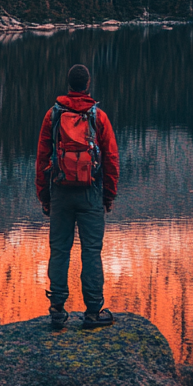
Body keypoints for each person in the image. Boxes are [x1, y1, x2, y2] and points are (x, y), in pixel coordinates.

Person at [35, 63, 119, 331]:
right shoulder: (99, 117)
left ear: (69, 85)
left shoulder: (53, 115)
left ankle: (58, 311)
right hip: (91, 192)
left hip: (60, 191)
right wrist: (108, 196)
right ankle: (93, 312)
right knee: (91, 252)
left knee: (60, 250)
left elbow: (41, 159)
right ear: (87, 85)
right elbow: (111, 160)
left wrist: (44, 197)